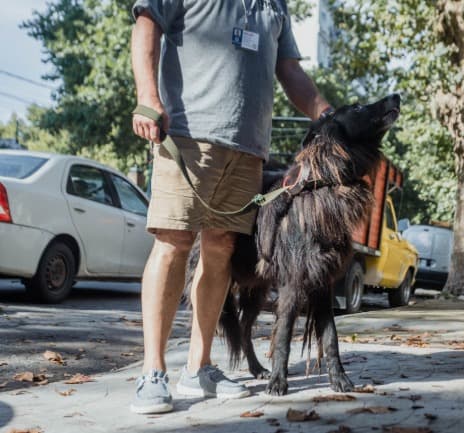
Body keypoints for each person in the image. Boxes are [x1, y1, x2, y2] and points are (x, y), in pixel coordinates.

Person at [129, 0, 332, 414]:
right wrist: (147, 95)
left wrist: (329, 115)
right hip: (186, 136)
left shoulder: (276, 6)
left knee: (220, 247)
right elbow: (147, 22)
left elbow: (289, 71)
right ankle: (152, 373)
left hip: (248, 147)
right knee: (173, 242)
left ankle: (199, 368)